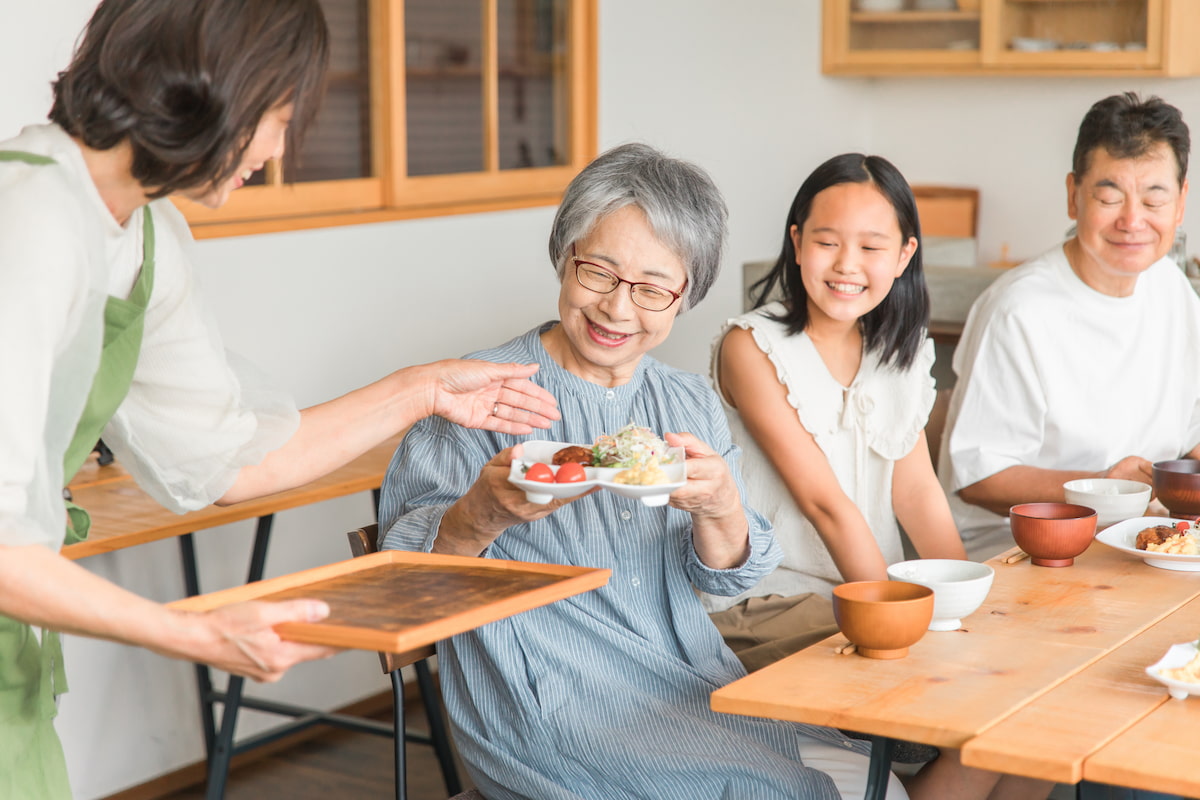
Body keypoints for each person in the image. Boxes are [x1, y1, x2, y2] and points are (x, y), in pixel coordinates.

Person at [0, 1, 559, 797]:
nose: (279, 149)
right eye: (280, 116)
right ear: (214, 87)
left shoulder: (145, 231)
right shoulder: (28, 217)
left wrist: (422, 389)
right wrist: (193, 631)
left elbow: (228, 459)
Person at [378, 142, 1049, 800]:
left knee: (889, 771)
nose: (618, 308)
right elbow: (396, 600)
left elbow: (725, 572)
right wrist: (480, 515)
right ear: (565, 257)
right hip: (556, 707)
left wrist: (722, 507)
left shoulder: (685, 401)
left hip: (692, 682)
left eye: (651, 288)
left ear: (684, 297)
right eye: (599, 274)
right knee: (820, 785)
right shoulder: (474, 398)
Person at [701, 153, 967, 674]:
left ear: (904, 254)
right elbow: (823, 503)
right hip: (770, 602)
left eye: (871, 246)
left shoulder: (899, 350)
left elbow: (917, 494)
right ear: (797, 243)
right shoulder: (751, 346)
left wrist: (964, 600)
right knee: (929, 685)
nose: (847, 264)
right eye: (827, 243)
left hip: (870, 595)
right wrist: (892, 617)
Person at [938, 92, 1200, 561]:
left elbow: (1190, 439)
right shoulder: (1019, 310)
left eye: (1154, 198)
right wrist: (1100, 489)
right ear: (1073, 196)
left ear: (1180, 204)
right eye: (1109, 196)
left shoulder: (1173, 289)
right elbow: (977, 479)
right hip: (1025, 551)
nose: (1132, 220)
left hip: (1145, 541)